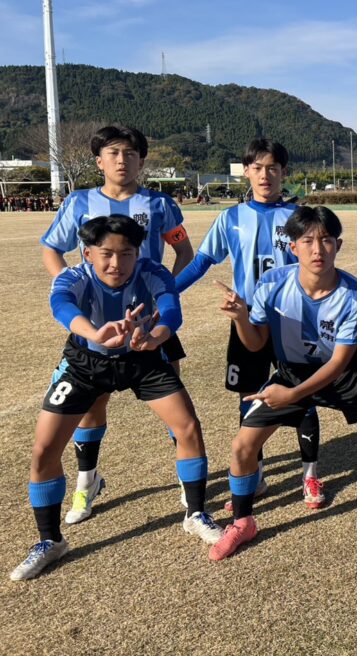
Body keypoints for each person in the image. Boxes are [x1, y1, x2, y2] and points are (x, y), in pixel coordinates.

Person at [10, 216, 221, 581]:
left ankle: (196, 513)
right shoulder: (72, 277)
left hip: (142, 358)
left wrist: (154, 337)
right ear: (88, 254)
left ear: (138, 253)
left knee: (188, 427)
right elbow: (62, 307)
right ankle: (50, 541)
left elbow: (171, 310)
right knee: (44, 449)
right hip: (85, 363)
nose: (116, 263)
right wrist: (96, 333)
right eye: (106, 253)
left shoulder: (152, 271)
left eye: (126, 253)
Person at [209, 206, 357, 561]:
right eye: (307, 241)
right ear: (293, 248)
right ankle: (243, 523)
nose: (317, 249)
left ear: (338, 245)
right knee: (242, 447)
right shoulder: (272, 284)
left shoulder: (356, 295)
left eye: (326, 240)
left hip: (346, 376)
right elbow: (256, 344)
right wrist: (242, 319)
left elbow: (338, 363)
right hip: (291, 373)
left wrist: (292, 395)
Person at [39, 125, 194, 525]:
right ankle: (87, 481)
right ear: (99, 161)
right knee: (92, 406)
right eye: (113, 153)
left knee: (175, 405)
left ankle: (188, 482)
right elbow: (52, 248)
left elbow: (183, 251)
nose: (121, 161)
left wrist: (164, 298)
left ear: (141, 161)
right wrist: (74, 290)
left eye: (130, 153)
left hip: (149, 325)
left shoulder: (160, 203)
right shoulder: (79, 202)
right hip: (97, 327)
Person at [176, 139, 322, 509]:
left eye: (272, 168)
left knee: (302, 393)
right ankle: (255, 475)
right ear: (246, 172)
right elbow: (201, 262)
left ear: (284, 172)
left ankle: (310, 476)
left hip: (292, 318)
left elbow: (320, 263)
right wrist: (167, 292)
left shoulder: (300, 217)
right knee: (248, 396)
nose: (264, 175)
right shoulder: (230, 218)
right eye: (257, 168)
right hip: (247, 319)